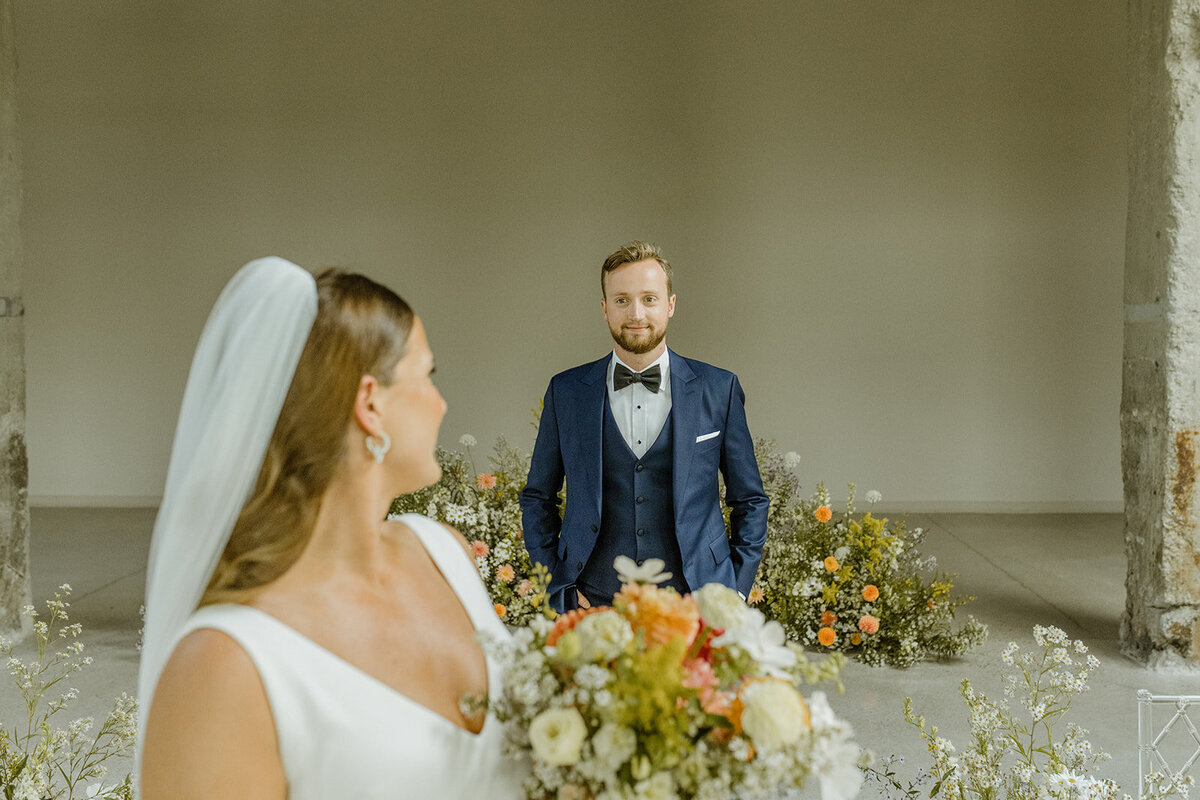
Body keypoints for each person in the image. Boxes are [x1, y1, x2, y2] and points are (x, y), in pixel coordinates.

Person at [137, 258, 525, 800]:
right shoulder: (225, 665)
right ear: (370, 403)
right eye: (427, 375)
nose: (441, 403)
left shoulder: (445, 555)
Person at [521, 241, 769, 613]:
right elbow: (538, 497)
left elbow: (750, 499)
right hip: (594, 602)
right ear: (605, 309)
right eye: (621, 300)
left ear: (670, 305)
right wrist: (558, 588)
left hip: (698, 599)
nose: (636, 313)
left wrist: (733, 590)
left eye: (649, 299)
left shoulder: (719, 388)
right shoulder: (567, 391)